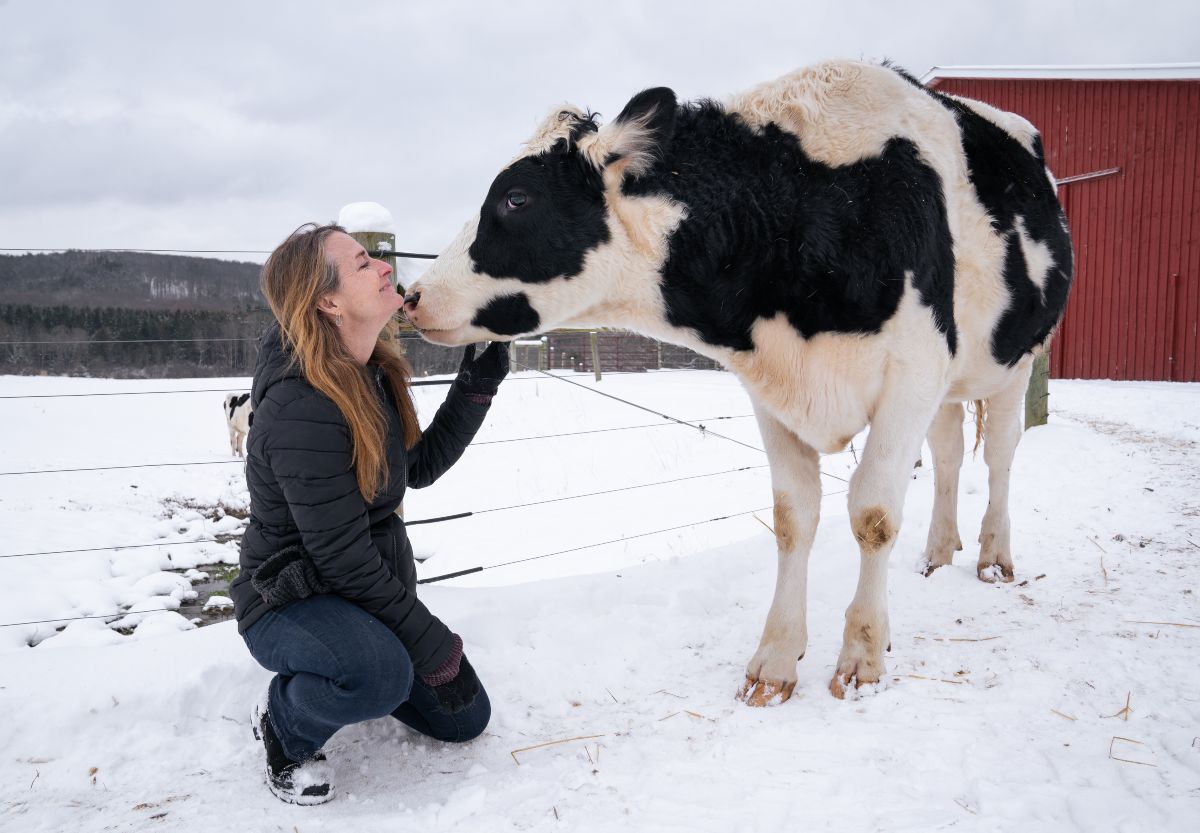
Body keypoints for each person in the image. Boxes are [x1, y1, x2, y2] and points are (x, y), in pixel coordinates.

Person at [230, 223, 508, 805]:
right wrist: (429, 641)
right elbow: (341, 556)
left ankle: (365, 663)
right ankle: (284, 724)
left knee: (464, 720)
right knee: (379, 676)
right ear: (328, 301)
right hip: (289, 599)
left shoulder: (366, 372)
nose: (385, 268)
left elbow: (416, 468)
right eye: (362, 264)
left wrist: (478, 382)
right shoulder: (298, 404)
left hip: (358, 588)